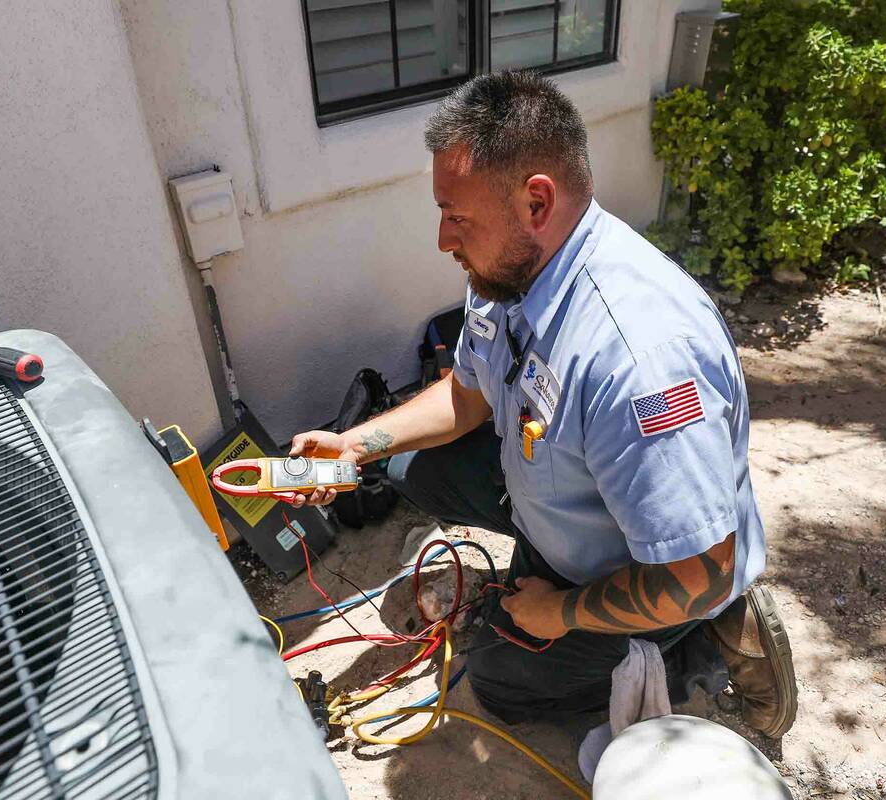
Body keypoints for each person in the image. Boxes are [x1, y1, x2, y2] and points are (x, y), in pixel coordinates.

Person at [287, 70, 797, 738]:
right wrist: (359, 445)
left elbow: (699, 572)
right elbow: (469, 395)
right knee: (409, 467)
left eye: (458, 216)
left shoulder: (638, 358)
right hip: (559, 496)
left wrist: (561, 612)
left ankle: (705, 645)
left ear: (535, 204)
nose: (444, 239)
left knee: (500, 680)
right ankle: (553, 574)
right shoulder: (508, 274)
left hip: (646, 569)